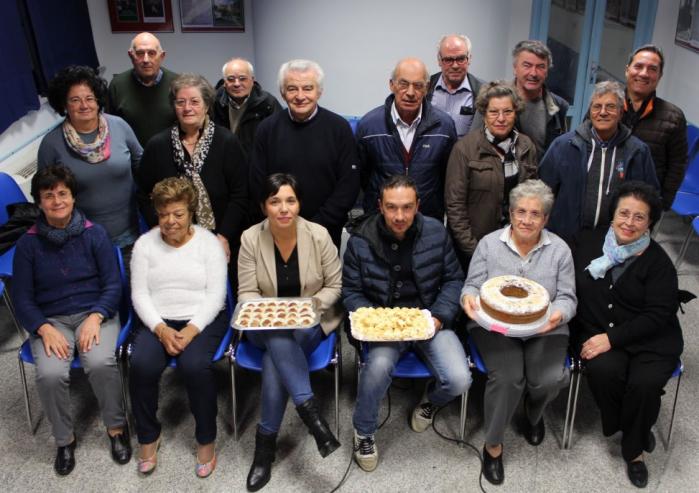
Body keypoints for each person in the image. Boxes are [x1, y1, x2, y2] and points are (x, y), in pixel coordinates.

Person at [343, 175, 470, 473]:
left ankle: (430, 400)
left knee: (459, 379)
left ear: (417, 207)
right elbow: (350, 291)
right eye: (391, 208)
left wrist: (439, 316)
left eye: (407, 207)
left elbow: (454, 279)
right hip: (384, 322)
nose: (399, 216)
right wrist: (377, 320)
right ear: (380, 206)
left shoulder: (437, 232)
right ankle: (364, 430)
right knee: (376, 368)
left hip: (429, 318)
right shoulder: (360, 239)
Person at [12, 165, 131, 476]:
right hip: (51, 320)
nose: (57, 201)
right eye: (48, 196)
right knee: (50, 374)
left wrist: (96, 316)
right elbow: (22, 297)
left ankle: (116, 429)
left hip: (95, 312)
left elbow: (112, 284)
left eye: (63, 193)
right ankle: (64, 440)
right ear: (38, 202)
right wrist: (43, 327)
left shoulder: (95, 234)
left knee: (100, 362)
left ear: (74, 197)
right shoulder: (27, 245)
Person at [461, 179, 576, 485]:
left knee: (549, 379)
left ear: (546, 219)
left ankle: (534, 413)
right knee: (510, 377)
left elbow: (567, 297)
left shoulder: (560, 251)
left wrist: (558, 315)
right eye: (520, 212)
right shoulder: (488, 244)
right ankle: (494, 445)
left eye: (535, 214)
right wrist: (467, 299)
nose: (527, 219)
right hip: (494, 327)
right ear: (510, 214)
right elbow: (472, 285)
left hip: (545, 328)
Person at [571, 181, 683, 489]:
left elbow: (658, 316)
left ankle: (633, 451)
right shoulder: (586, 243)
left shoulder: (658, 262)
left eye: (639, 217)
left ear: (649, 223)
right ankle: (633, 424)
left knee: (644, 385)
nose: (629, 223)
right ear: (613, 214)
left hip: (651, 340)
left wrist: (611, 339)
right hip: (599, 331)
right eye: (624, 213)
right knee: (604, 371)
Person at [237, 173, 343, 491]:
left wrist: (305, 309)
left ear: (299, 204)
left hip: (311, 321)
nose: (284, 208)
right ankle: (310, 414)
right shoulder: (249, 238)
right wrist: (274, 314)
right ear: (263, 206)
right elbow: (246, 293)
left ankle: (264, 446)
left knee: (276, 353)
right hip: (263, 325)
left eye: (290, 200)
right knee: (278, 335)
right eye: (275, 201)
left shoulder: (319, 235)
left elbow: (335, 287)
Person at [129, 177, 228, 478]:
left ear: (191, 212)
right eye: (163, 214)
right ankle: (148, 436)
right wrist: (160, 329)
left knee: (195, 366)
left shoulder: (208, 243)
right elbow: (139, 294)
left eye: (178, 214)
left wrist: (191, 329)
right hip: (159, 318)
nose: (170, 221)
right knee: (141, 364)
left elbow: (216, 295)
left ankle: (206, 438)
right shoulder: (144, 245)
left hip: (203, 317)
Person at [136, 73, 248, 282]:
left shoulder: (227, 142)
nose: (187, 108)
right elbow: (143, 194)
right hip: (172, 241)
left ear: (206, 105)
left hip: (220, 239)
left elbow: (241, 194)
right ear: (174, 107)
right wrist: (158, 228)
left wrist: (224, 237)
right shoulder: (157, 145)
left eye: (195, 102)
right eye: (181, 102)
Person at [249, 59, 360, 248]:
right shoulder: (266, 129)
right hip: (278, 231)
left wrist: (316, 227)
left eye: (308, 88)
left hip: (325, 233)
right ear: (283, 92)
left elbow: (348, 185)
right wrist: (282, 223)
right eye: (292, 89)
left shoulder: (338, 128)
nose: (300, 96)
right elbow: (257, 182)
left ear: (319, 91)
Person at [38, 65, 142, 259]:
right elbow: (44, 195)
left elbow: (143, 167)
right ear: (64, 105)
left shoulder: (119, 126)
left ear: (98, 100)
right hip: (81, 240)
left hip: (130, 234)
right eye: (75, 100)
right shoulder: (51, 143)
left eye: (89, 98)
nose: (84, 105)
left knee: (129, 287)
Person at [539, 81, 659, 241]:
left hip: (614, 243)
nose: (603, 112)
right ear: (590, 112)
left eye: (610, 107)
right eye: (597, 106)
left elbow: (651, 199)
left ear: (621, 112)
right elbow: (541, 192)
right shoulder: (563, 146)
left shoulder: (637, 151)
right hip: (566, 239)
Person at [445, 80, 537, 270]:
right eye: (494, 112)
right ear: (484, 114)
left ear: (515, 113)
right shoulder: (465, 149)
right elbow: (455, 208)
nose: (501, 118)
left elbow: (532, 200)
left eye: (508, 111)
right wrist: (475, 251)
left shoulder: (526, 146)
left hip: (515, 246)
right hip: (473, 249)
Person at [358, 58, 457, 222]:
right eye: (403, 84)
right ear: (392, 85)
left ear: (427, 88)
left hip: (427, 220)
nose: (410, 92)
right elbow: (363, 176)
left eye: (418, 86)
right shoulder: (369, 126)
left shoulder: (444, 127)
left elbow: (448, 176)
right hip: (381, 221)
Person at [622, 44, 688, 210]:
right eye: (638, 66)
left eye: (652, 69)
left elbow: (677, 166)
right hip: (603, 198)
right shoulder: (606, 105)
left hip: (644, 206)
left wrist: (662, 203)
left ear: (659, 76)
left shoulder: (673, 118)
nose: (644, 73)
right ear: (627, 70)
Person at [107, 32, 178, 146]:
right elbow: (111, 130)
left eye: (151, 53)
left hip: (170, 158)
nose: (146, 59)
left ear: (162, 56)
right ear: (131, 55)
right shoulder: (117, 85)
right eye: (140, 53)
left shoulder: (177, 84)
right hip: (132, 160)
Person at [212, 58, 281, 160]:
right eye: (231, 79)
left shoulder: (268, 103)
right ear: (224, 83)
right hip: (223, 163)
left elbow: (278, 140)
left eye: (242, 78)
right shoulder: (213, 102)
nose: (237, 84)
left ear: (252, 81)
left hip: (254, 166)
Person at [427, 34, 483, 137]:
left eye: (461, 59)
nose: (455, 66)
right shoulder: (425, 87)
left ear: (469, 59)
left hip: (466, 153)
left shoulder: (483, 92)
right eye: (448, 60)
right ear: (439, 60)